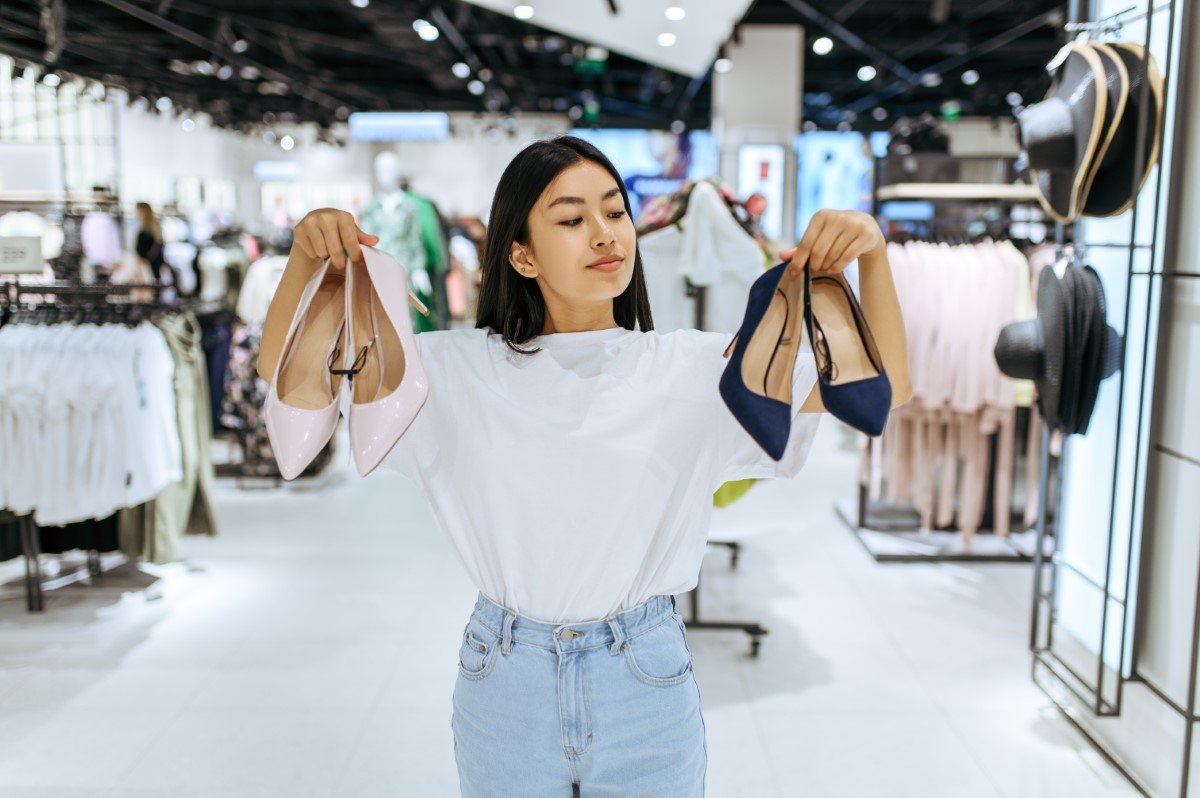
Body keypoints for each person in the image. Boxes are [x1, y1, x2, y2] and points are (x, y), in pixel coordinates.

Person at [257, 136, 911, 797]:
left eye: (616, 212)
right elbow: (283, 372)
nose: (605, 234)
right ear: (521, 254)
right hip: (506, 681)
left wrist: (872, 254)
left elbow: (889, 388)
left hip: (644, 679)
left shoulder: (696, 368)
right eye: (572, 219)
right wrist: (308, 261)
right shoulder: (451, 369)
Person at [134, 201, 165, 284]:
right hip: (150, 262)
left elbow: (156, 247)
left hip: (149, 263)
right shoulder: (149, 227)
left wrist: (145, 259)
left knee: (151, 283)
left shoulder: (149, 229)